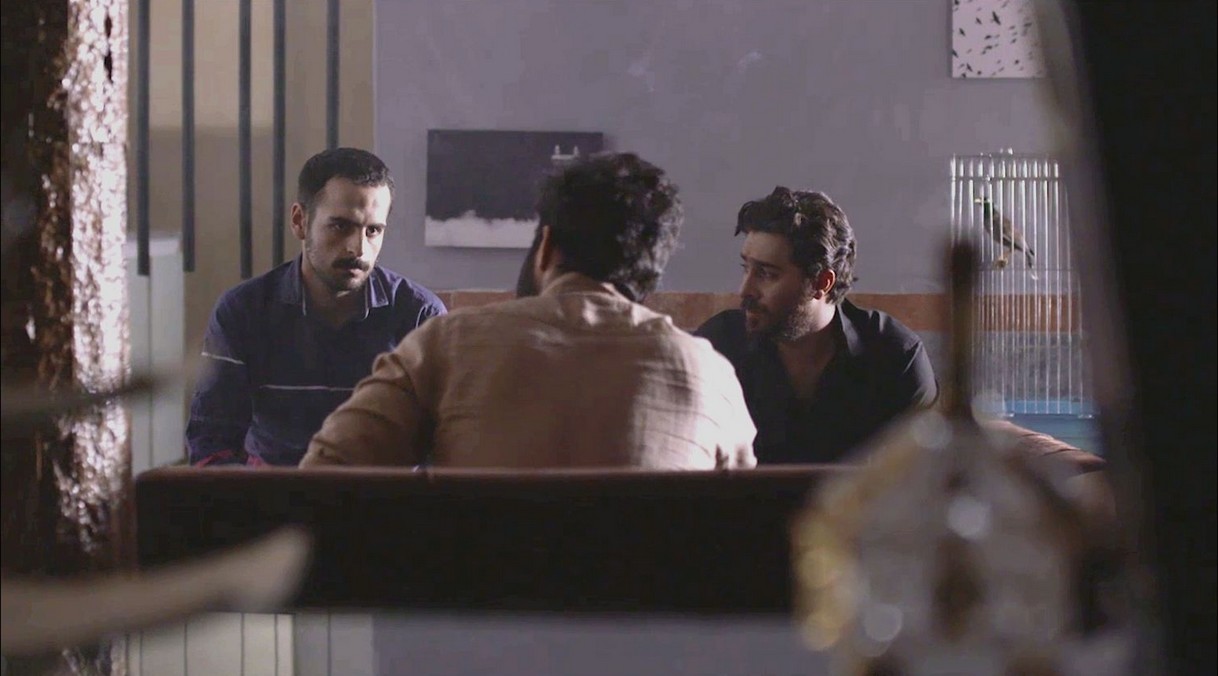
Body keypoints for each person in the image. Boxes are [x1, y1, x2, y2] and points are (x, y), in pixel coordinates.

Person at [300, 152, 756, 470]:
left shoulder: (447, 344)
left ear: (547, 246)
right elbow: (744, 525)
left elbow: (327, 473)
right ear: (649, 274)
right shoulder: (710, 376)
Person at [186, 147, 446, 466]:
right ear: (300, 221)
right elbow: (211, 441)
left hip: (383, 492)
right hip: (274, 491)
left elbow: (443, 446)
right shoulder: (244, 311)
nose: (358, 249)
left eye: (373, 231)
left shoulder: (420, 316)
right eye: (341, 226)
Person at [695, 187, 937, 464]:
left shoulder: (896, 357)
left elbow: (924, 477)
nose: (745, 290)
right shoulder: (717, 348)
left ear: (822, 282)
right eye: (746, 268)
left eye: (767, 274)